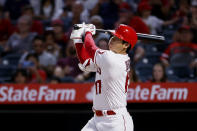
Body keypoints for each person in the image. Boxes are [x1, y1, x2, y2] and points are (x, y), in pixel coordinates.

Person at [70, 23, 138, 131]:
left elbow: (91, 47)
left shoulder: (114, 59)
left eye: (117, 39)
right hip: (97, 119)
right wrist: (77, 38)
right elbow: (86, 62)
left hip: (116, 122)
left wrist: (88, 32)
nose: (111, 40)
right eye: (112, 37)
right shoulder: (108, 58)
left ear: (125, 45)